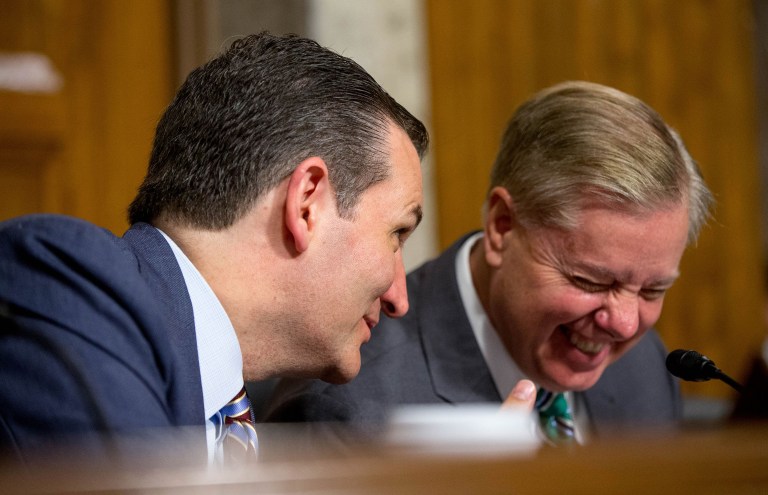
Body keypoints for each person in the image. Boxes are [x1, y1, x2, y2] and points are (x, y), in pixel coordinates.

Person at [0, 32, 430, 463]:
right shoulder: (71, 290)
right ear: (306, 205)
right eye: (397, 234)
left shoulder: (255, 399)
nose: (400, 298)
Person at [263, 81, 714, 443]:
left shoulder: (644, 371)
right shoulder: (346, 414)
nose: (625, 323)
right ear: (502, 226)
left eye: (653, 289)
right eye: (592, 281)